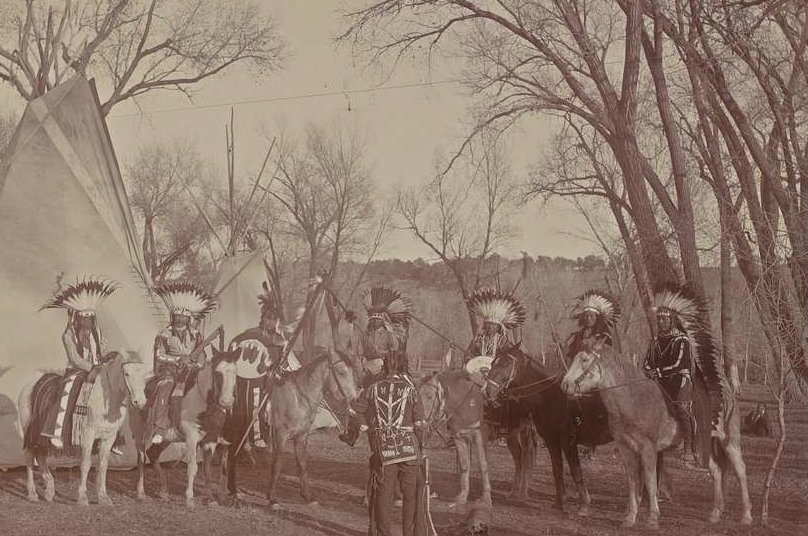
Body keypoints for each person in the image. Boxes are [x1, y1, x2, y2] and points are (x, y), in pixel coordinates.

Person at [40, 277, 125, 453]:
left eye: (91, 319)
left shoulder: (99, 333)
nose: (88, 323)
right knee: (69, 389)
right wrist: (91, 368)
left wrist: (107, 358)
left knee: (116, 390)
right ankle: (56, 432)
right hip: (77, 371)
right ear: (78, 318)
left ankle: (115, 436)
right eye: (85, 319)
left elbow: (102, 351)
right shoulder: (69, 335)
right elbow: (74, 358)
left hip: (98, 369)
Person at [351, 351, 428, 536]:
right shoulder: (411, 390)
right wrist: (421, 447)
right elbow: (420, 423)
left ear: (384, 367)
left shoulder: (372, 389)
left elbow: (354, 410)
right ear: (404, 366)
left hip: (384, 449)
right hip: (409, 450)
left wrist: (365, 425)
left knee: (384, 495)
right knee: (411, 495)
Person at [340, 285, 412, 447]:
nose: (374, 321)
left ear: (382, 320)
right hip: (367, 367)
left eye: (377, 319)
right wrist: (351, 324)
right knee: (356, 396)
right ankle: (351, 432)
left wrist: (390, 333)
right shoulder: (365, 333)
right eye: (372, 319)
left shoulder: (388, 333)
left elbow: (395, 348)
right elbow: (354, 344)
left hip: (384, 366)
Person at [149, 282, 217, 446]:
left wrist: (197, 365)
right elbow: (159, 355)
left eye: (183, 316)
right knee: (166, 386)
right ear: (172, 316)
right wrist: (178, 359)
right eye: (177, 316)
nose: (179, 319)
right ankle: (160, 428)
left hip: (191, 372)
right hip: (169, 371)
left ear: (188, 318)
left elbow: (201, 354)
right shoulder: (164, 334)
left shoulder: (195, 334)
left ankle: (206, 425)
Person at [228, 281, 288, 450]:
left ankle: (265, 438)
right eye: (268, 318)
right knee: (248, 407)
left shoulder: (280, 340)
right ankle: (248, 439)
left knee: (268, 409)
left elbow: (282, 362)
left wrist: (278, 367)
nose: (271, 322)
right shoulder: (251, 334)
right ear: (262, 318)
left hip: (270, 380)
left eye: (274, 319)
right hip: (250, 379)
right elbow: (237, 349)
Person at [465, 287, 526, 441]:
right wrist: (472, 363)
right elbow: (468, 355)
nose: (490, 327)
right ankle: (464, 426)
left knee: (503, 398)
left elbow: (508, 360)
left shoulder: (503, 341)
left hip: (497, 376)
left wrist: (496, 372)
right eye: (488, 324)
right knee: (465, 392)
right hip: (478, 374)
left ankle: (501, 429)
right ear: (485, 325)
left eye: (494, 325)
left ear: (498, 327)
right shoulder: (478, 340)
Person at [643, 303, 699, 468]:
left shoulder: (681, 340)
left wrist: (657, 371)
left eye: (665, 319)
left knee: (681, 409)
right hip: (659, 381)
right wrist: (649, 371)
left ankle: (689, 449)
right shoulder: (654, 341)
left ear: (672, 320)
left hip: (679, 380)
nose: (661, 322)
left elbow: (678, 364)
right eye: (659, 319)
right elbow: (646, 363)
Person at [563, 289, 620, 366]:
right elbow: (572, 352)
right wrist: (560, 345)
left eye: (591, 316)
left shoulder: (603, 331)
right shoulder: (579, 335)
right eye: (586, 316)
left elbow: (604, 346)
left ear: (597, 317)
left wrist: (592, 341)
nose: (588, 318)